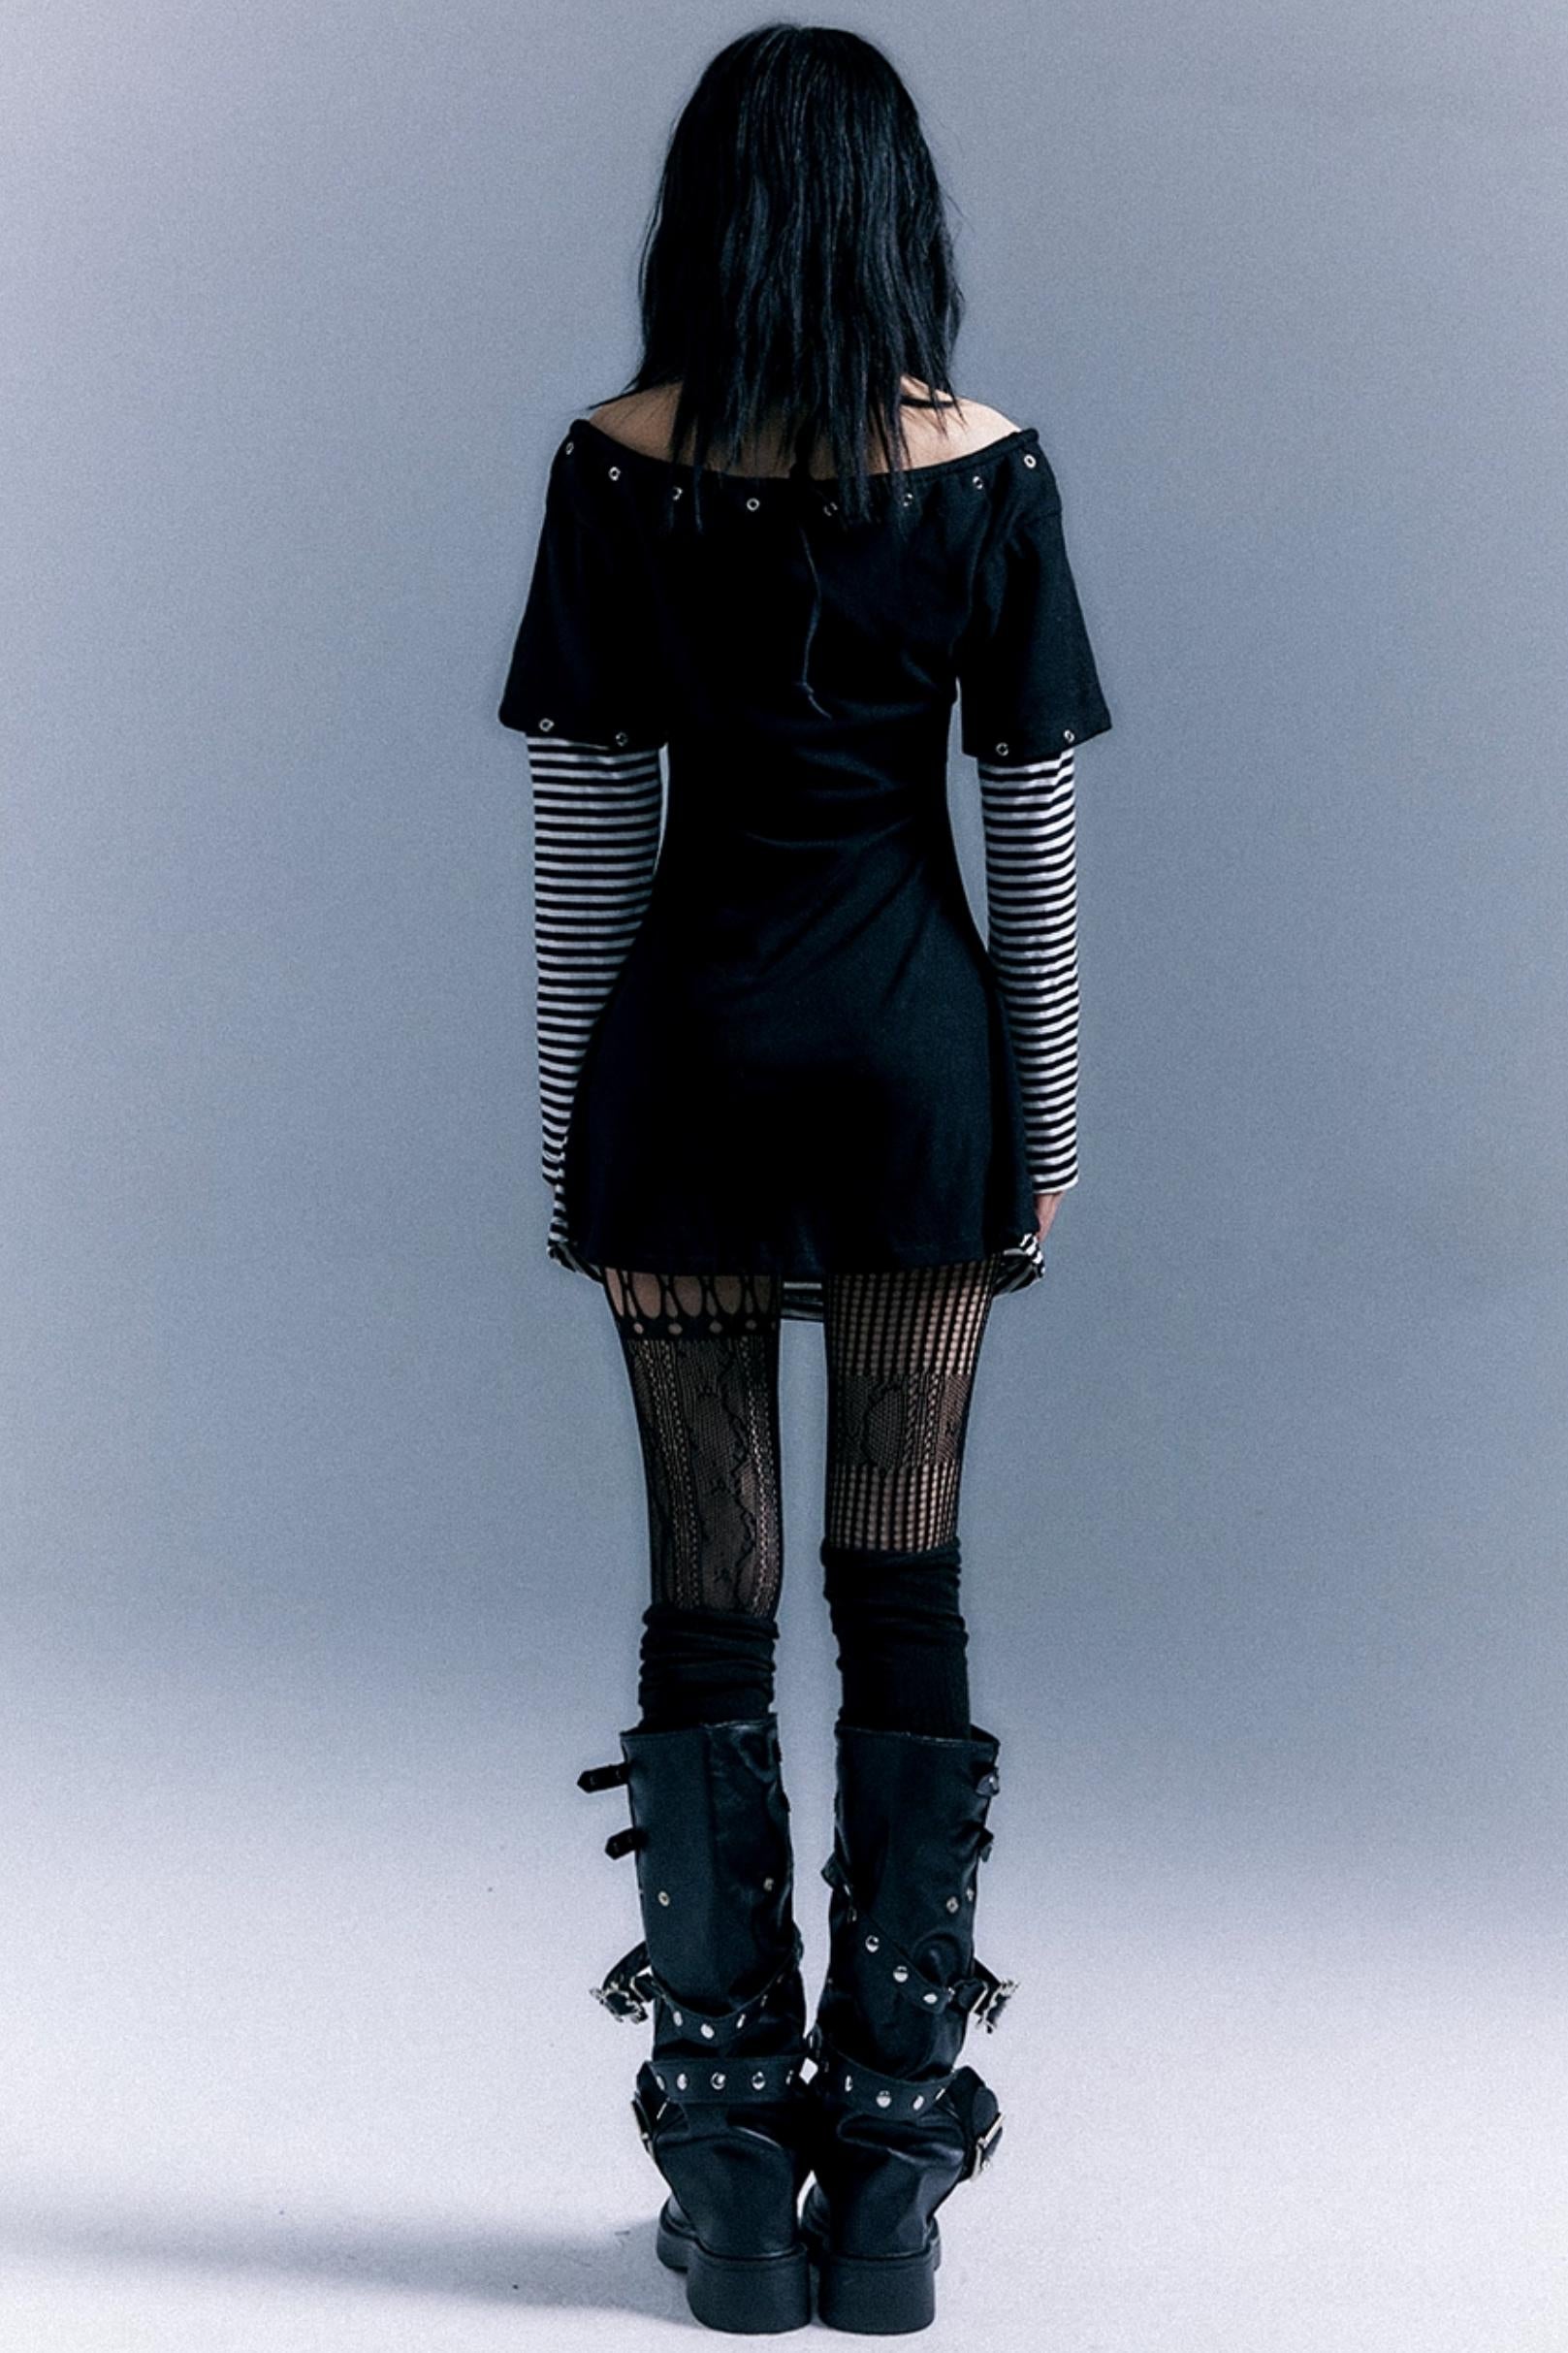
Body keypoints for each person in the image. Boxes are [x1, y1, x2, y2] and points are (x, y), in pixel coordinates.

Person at [496, 23, 1112, 2336]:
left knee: (708, 1592)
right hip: (916, 1070)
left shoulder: (614, 465)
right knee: (901, 1576)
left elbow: (589, 834)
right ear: (892, 219)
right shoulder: (987, 469)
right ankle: (893, 2176)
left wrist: (580, 1141)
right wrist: (1041, 1131)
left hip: (690, 1063)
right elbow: (1027, 829)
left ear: (708, 215)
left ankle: (733, 2161)